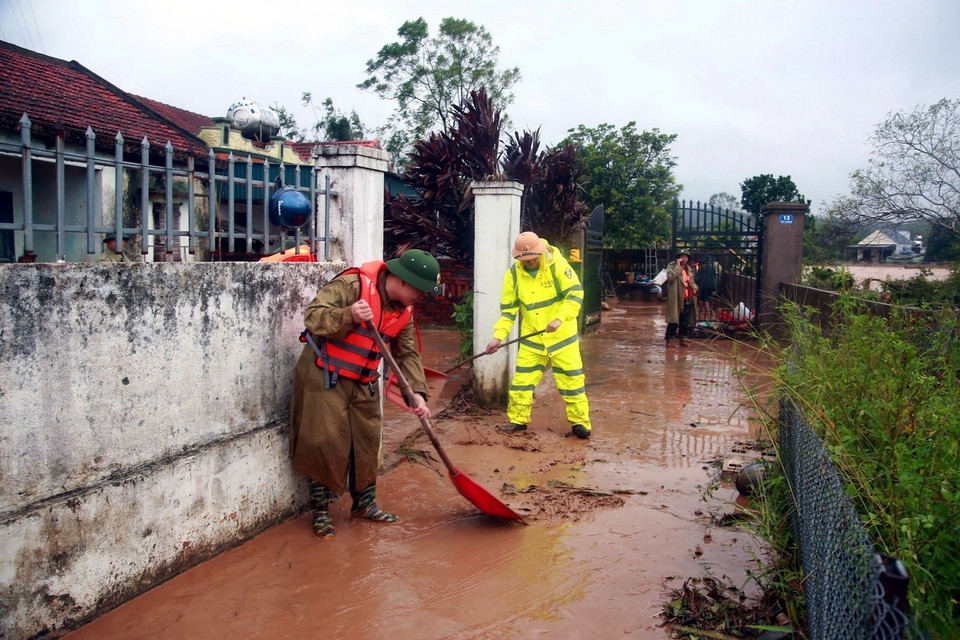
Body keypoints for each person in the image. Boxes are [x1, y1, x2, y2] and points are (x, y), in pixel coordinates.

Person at [289, 249, 441, 537]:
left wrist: (417, 394)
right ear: (403, 280)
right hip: (325, 374)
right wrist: (349, 314)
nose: (421, 297)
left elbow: (407, 354)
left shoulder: (404, 311)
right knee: (323, 441)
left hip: (364, 380)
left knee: (368, 440)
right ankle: (321, 512)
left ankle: (364, 505)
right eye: (419, 291)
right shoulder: (351, 286)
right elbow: (313, 317)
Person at [484, 232, 592, 439]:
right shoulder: (513, 275)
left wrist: (559, 319)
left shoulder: (557, 266)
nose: (530, 262)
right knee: (522, 381)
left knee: (572, 381)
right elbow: (508, 311)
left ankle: (580, 422)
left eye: (533, 257)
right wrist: (498, 337)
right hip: (532, 337)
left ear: (540, 252)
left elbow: (575, 295)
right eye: (525, 259)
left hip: (562, 337)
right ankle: (518, 420)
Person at [665, 251, 698, 347]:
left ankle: (683, 339)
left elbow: (691, 280)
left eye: (686, 257)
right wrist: (678, 266)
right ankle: (669, 340)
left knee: (684, 320)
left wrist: (695, 288)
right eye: (682, 257)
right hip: (676, 297)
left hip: (687, 297)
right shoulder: (672, 266)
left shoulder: (688, 268)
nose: (684, 259)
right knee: (674, 320)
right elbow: (671, 277)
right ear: (678, 258)